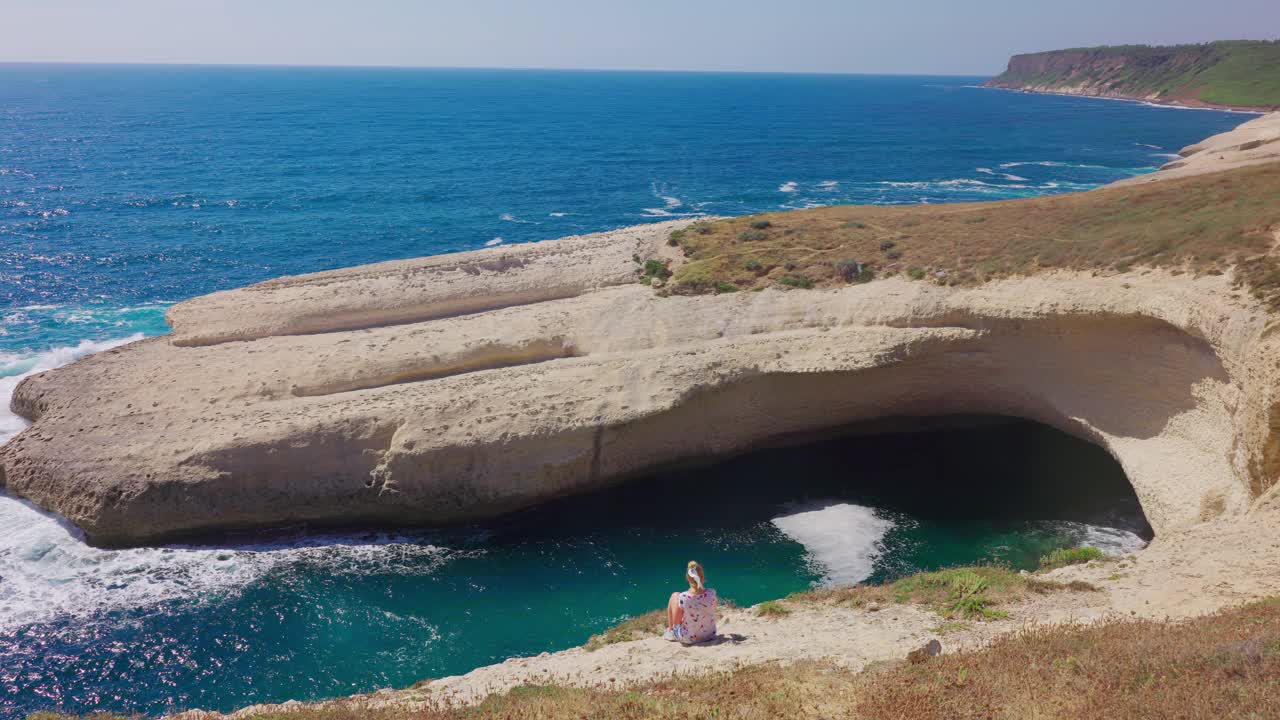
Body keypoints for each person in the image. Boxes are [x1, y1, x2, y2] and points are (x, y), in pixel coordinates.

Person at [664, 560, 717, 645]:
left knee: (675, 595)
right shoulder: (712, 593)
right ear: (702, 577)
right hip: (710, 635)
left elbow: (676, 623)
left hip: (689, 638)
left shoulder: (684, 597)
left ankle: (670, 631)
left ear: (687, 577)